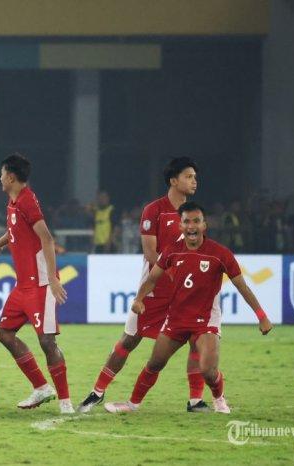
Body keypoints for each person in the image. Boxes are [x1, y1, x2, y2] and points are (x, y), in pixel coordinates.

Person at [104, 202, 273, 414]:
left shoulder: (220, 254)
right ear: (180, 226)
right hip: (176, 319)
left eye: (196, 221)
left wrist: (262, 316)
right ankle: (132, 405)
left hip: (205, 321)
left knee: (208, 371)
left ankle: (219, 398)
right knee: (155, 363)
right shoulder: (171, 252)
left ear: (204, 225)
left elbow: (243, 287)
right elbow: (152, 279)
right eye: (186, 221)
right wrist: (139, 299)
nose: (191, 226)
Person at [80, 157, 205, 413]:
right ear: (173, 181)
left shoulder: (194, 214)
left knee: (196, 339)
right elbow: (150, 253)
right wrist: (175, 273)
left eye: (195, 176)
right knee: (129, 340)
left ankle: (195, 401)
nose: (195, 181)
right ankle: (97, 392)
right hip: (154, 290)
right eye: (189, 176)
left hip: (184, 292)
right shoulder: (154, 210)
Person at [0, 153, 72, 414]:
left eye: (2, 174)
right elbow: (15, 230)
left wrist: (53, 279)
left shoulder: (27, 200)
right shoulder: (14, 202)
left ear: (11, 177)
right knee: (4, 334)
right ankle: (41, 387)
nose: (0, 178)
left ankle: (65, 403)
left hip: (40, 285)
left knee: (47, 342)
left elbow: (47, 238)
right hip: (22, 286)